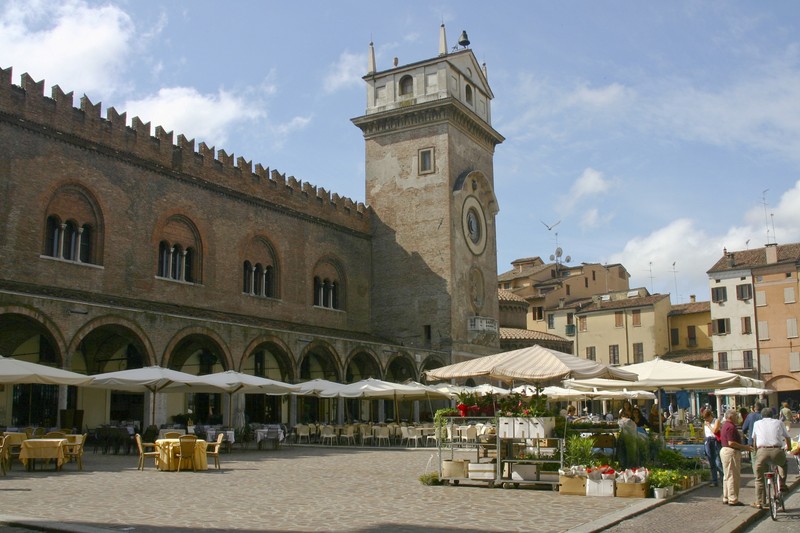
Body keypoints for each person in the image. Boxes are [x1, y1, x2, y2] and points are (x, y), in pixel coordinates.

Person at [751, 407, 792, 509]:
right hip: (776, 450)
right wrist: (789, 447)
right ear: (772, 415)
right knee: (783, 464)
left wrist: (757, 452)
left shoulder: (757, 424)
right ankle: (782, 484)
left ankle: (760, 502)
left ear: (762, 415)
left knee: (759, 478)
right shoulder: (778, 422)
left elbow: (754, 440)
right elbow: (787, 437)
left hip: (762, 451)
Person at [719, 408, 752, 506]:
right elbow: (731, 442)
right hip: (730, 452)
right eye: (736, 416)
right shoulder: (731, 427)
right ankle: (733, 499)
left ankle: (726, 497)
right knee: (733, 476)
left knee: (727, 475)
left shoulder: (725, 425)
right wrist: (744, 447)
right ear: (730, 416)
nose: (738, 417)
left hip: (725, 450)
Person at [702, 409, 723, 487]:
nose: (706, 420)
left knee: (718, 461)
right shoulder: (705, 422)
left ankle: (723, 480)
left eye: (707, 418)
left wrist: (709, 425)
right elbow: (705, 433)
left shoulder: (716, 421)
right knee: (711, 462)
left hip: (715, 441)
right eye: (705, 419)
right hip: (708, 440)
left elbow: (715, 431)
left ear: (710, 416)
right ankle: (714, 481)